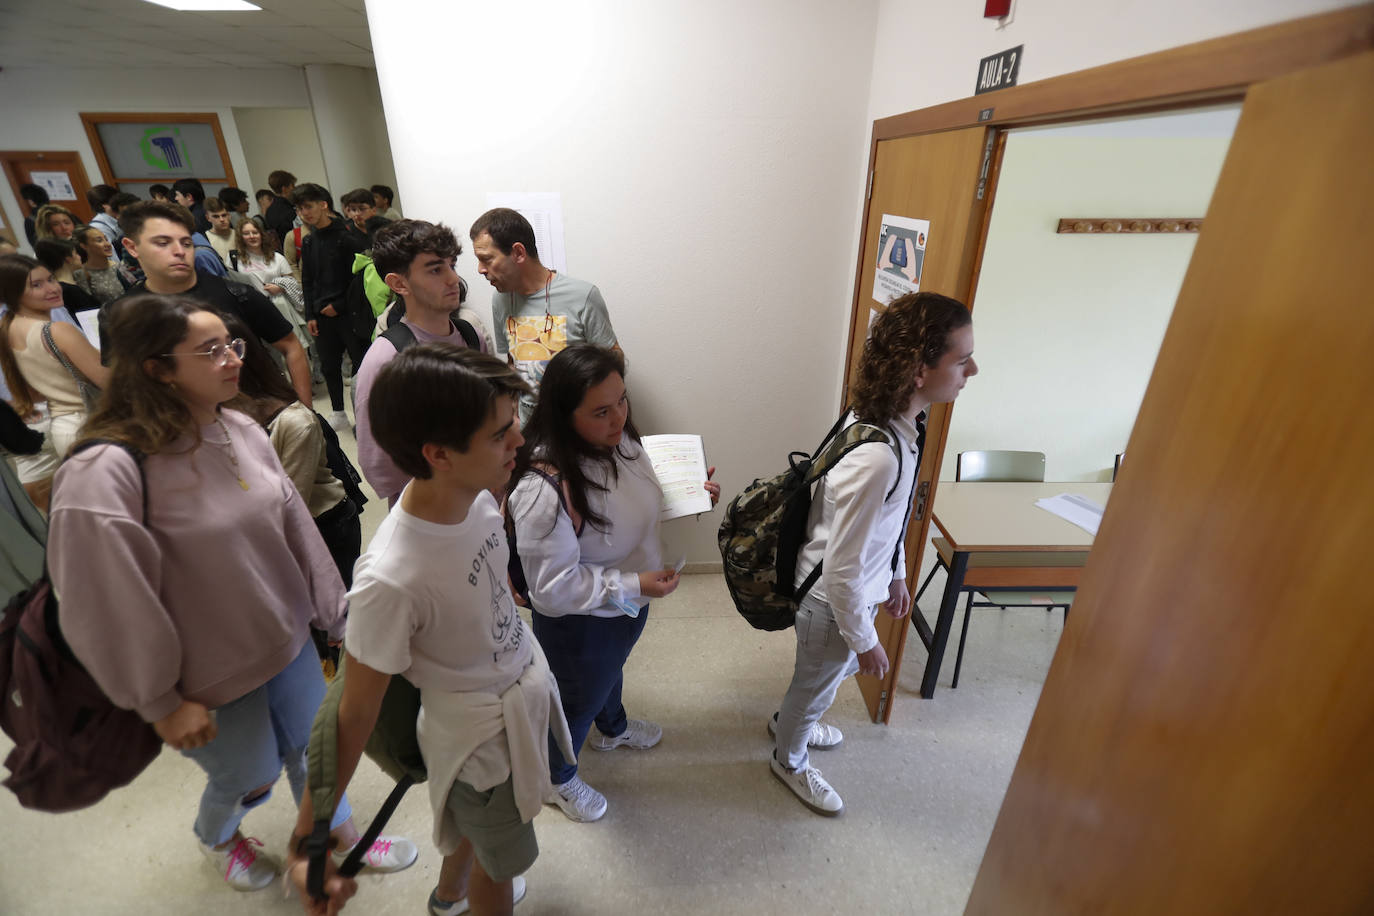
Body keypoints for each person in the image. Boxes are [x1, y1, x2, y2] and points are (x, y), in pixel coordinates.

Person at [47, 294, 416, 892]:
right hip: (204, 675)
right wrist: (160, 702)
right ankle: (219, 836)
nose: (233, 358)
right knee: (250, 775)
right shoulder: (105, 470)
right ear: (156, 368)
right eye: (211, 350)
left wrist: (337, 615)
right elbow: (100, 605)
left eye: (233, 343)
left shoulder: (238, 425)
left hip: (286, 640)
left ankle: (338, 837)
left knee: (316, 751)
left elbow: (296, 527)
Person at [284, 343, 570, 916]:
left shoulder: (480, 497)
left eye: (513, 424)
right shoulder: (391, 577)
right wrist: (311, 844)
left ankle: (446, 897)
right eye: (499, 434)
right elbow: (351, 715)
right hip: (477, 737)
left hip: (514, 686)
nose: (518, 442)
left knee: (473, 831)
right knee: (502, 862)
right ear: (438, 453)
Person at [770, 291, 978, 817]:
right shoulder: (879, 457)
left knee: (816, 678)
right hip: (831, 601)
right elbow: (841, 566)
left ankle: (794, 718)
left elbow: (889, 523)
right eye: (960, 359)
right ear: (918, 370)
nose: (972, 369)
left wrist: (899, 576)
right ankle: (788, 757)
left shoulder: (894, 423)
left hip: (849, 592)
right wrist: (864, 642)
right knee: (817, 681)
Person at [507, 344, 719, 823]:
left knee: (612, 670)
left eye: (622, 400)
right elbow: (552, 590)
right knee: (575, 699)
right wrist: (632, 583)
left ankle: (613, 728)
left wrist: (687, 494)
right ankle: (556, 778)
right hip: (581, 624)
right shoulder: (544, 487)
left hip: (626, 601)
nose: (619, 416)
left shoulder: (616, 439)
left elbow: (628, 506)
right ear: (564, 415)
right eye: (601, 410)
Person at [110, 200, 313, 406]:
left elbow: (290, 345)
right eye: (163, 243)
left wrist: (306, 411)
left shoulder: (235, 292)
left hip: (253, 415)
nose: (179, 251)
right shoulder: (122, 314)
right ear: (132, 247)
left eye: (186, 243)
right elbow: (122, 381)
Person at [222, 312, 360, 590]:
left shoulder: (293, 421)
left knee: (337, 620)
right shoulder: (216, 417)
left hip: (323, 525)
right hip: (278, 533)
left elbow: (288, 507)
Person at [354, 219, 486, 504]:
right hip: (429, 507)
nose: (453, 279)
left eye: (452, 265)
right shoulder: (387, 358)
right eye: (436, 269)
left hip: (484, 496)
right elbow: (377, 459)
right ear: (398, 283)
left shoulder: (471, 336)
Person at [470, 208, 620, 424]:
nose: (480, 269)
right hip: (529, 433)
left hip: (576, 429)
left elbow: (613, 362)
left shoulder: (582, 295)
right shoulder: (501, 300)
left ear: (519, 253)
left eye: (486, 259)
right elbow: (513, 362)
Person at [0, 254, 110, 511]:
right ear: (12, 293)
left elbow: (33, 393)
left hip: (64, 427)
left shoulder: (10, 330)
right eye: (36, 285)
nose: (52, 288)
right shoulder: (57, 331)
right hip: (90, 424)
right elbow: (107, 381)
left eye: (50, 279)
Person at [294, 183, 367, 432]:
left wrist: (338, 305)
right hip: (321, 315)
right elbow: (307, 280)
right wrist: (310, 314)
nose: (305, 213)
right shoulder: (309, 241)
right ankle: (338, 412)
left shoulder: (348, 237)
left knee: (360, 364)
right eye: (300, 208)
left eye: (308, 206)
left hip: (349, 312)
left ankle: (363, 416)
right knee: (328, 365)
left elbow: (358, 280)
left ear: (324, 205)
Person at [232, 218, 315, 381]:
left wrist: (280, 287)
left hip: (281, 306)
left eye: (254, 232)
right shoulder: (236, 260)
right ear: (241, 237)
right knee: (267, 351)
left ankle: (301, 382)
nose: (251, 236)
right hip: (254, 311)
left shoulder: (277, 257)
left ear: (261, 234)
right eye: (246, 233)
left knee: (293, 346)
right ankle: (280, 384)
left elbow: (293, 282)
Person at [33, 239, 101, 315]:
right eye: (76, 254)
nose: (79, 257)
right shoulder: (69, 291)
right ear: (68, 259)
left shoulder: (70, 284)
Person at [72, 226, 136, 305]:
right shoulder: (81, 274)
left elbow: (136, 292)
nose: (107, 244)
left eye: (106, 239)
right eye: (99, 240)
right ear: (84, 246)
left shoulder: (120, 267)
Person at [265, 169, 299, 245]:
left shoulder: (269, 211)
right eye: (292, 186)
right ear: (284, 189)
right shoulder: (288, 210)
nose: (294, 189)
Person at [203, 197, 236, 266]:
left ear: (229, 215)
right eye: (216, 216)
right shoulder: (205, 239)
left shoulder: (239, 235)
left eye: (224, 215)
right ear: (208, 218)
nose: (221, 219)